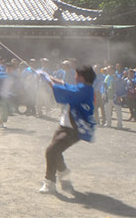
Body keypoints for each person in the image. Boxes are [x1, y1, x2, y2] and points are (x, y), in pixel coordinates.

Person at [38, 65, 96, 194]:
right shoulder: (82, 87)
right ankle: (64, 173)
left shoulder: (85, 90)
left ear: (82, 77)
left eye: (76, 75)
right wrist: (48, 76)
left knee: (51, 151)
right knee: (55, 152)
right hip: (64, 125)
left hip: (74, 129)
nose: (74, 77)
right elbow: (66, 85)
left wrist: (48, 81)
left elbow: (65, 91)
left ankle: (50, 182)